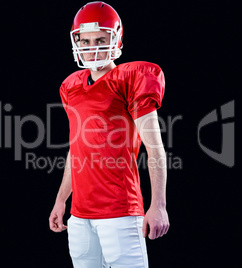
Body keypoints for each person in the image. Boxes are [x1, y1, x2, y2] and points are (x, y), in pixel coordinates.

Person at [49, 2, 169, 267]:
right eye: (86, 41)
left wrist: (158, 204)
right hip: (80, 216)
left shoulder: (131, 78)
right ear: (76, 41)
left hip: (120, 211)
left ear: (115, 39)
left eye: (101, 40)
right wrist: (61, 200)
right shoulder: (71, 86)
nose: (93, 49)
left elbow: (155, 147)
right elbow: (76, 149)